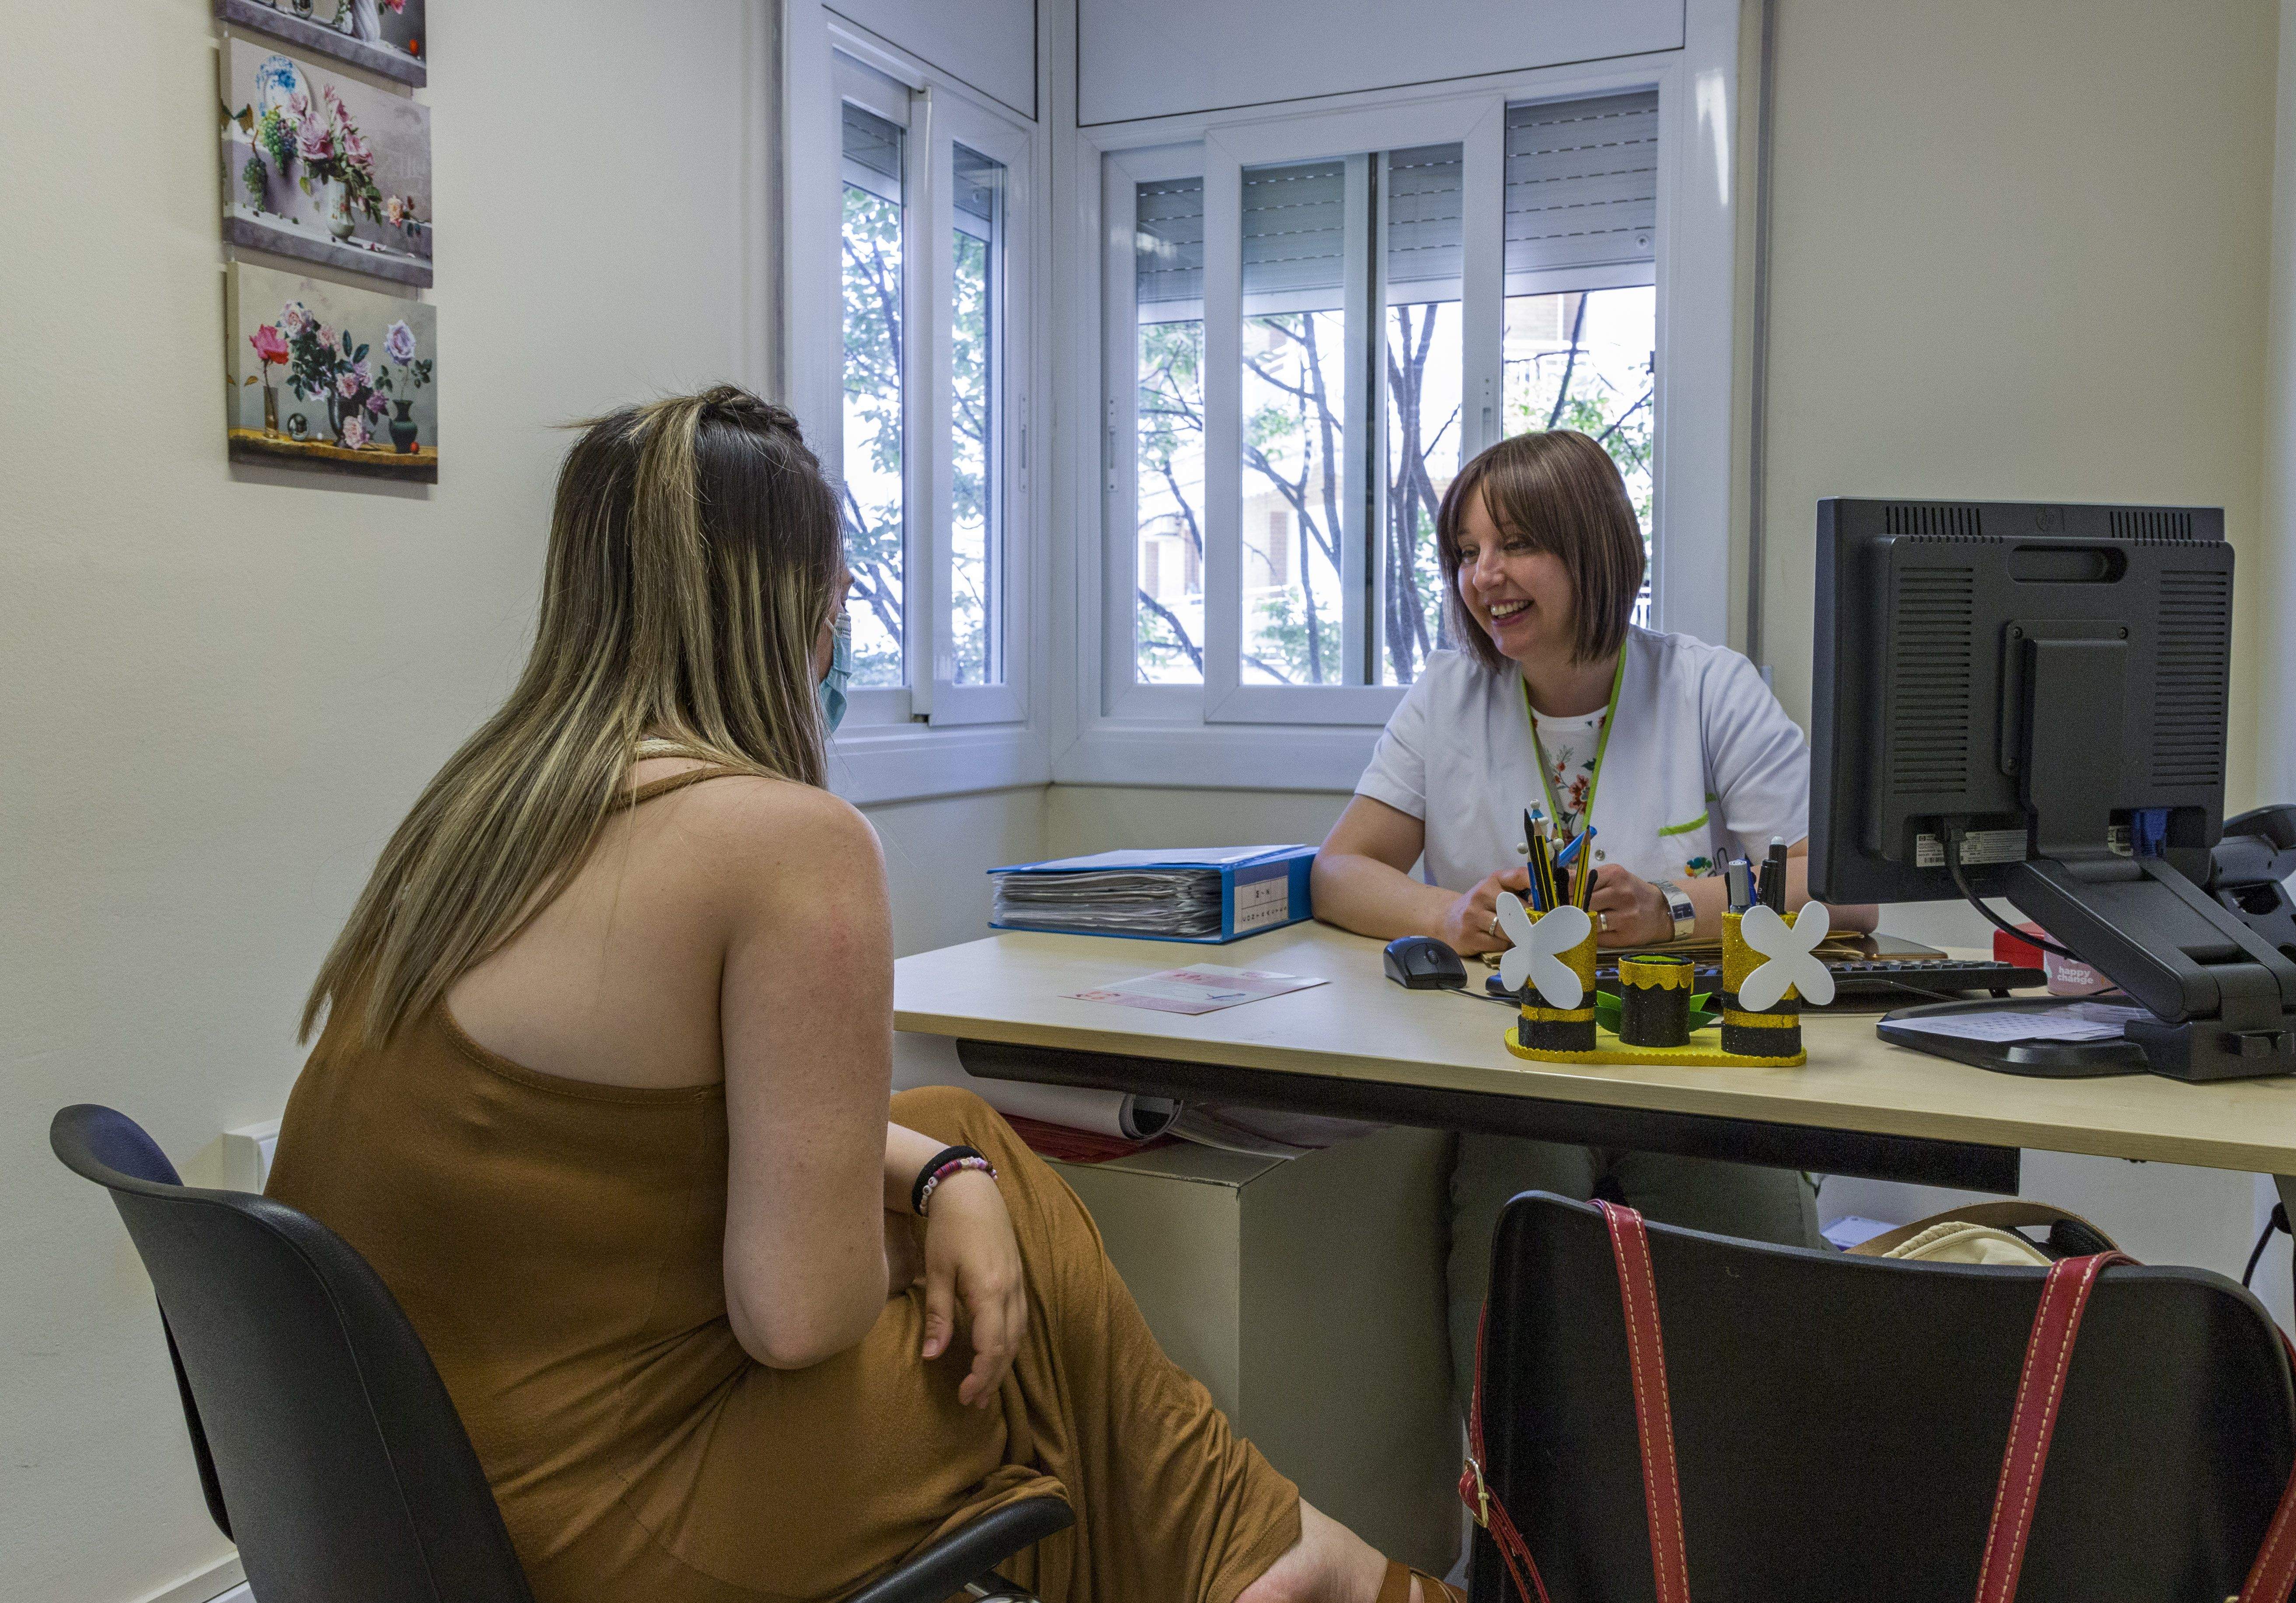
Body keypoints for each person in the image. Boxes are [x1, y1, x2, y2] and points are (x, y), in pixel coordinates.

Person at [269, 387, 1455, 1603]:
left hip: (391, 1497)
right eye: (836, 601)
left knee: (965, 1138)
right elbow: (795, 1317)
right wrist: (976, 1228)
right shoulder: (790, 844)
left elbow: (640, 1160)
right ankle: (1293, 1566)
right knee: (1026, 1311)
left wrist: (948, 1184)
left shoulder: (480, 810)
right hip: (589, 1528)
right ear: (796, 609)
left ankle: (1278, 1563)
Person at [1310, 429, 1877, 1419]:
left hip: (1699, 1068)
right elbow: (1339, 871)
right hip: (1525, 1072)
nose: (1484, 576)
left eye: (1516, 543)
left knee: (1748, 1334)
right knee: (1519, 1303)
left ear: (1594, 548)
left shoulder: (1708, 686)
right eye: (1464, 551)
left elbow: (1840, 889)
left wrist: (1669, 911)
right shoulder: (1446, 701)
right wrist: (1452, 914)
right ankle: (1505, 1539)